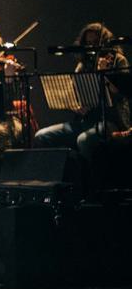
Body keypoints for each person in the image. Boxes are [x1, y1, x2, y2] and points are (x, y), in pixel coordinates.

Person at [33, 22, 129, 176]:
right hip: (86, 120)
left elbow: (120, 93)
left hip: (110, 120)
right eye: (88, 43)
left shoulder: (118, 60)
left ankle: (93, 186)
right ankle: (55, 183)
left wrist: (104, 73)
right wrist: (75, 105)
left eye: (94, 43)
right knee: (42, 136)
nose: (91, 47)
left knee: (84, 140)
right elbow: (73, 93)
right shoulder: (83, 65)